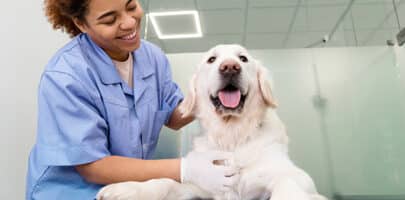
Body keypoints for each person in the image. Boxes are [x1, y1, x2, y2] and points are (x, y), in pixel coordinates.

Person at [26, 0, 238, 199]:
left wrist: (214, 93)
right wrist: (186, 169)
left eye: (131, 6)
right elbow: (92, 166)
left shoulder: (152, 57)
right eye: (109, 19)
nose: (129, 22)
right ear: (81, 23)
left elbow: (173, 116)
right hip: (71, 192)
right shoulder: (66, 76)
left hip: (129, 186)